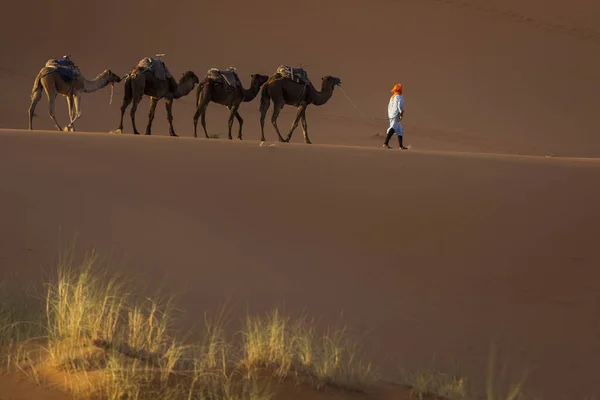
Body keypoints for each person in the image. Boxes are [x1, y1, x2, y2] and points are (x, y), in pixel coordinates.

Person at [383, 83, 408, 150]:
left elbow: (389, 106)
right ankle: (385, 143)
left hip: (391, 114)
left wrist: (390, 115)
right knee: (393, 127)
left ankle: (401, 146)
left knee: (400, 130)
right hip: (395, 115)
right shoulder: (399, 97)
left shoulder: (392, 97)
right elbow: (399, 105)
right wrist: (401, 113)